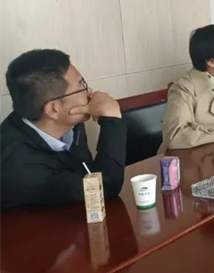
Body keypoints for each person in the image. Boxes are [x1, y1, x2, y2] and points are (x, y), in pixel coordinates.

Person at [1, 50, 126, 210]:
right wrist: (111, 117)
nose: (90, 92)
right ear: (53, 109)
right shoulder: (19, 167)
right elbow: (102, 189)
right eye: (81, 86)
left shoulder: (67, 125)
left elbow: (89, 174)